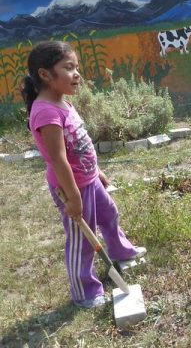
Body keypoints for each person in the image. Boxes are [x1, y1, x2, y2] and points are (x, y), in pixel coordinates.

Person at [21, 41, 146, 309]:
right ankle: (85, 291)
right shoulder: (45, 112)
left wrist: (96, 170)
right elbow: (58, 158)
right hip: (71, 188)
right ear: (45, 75)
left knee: (109, 215)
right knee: (82, 242)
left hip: (88, 181)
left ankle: (121, 252)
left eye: (76, 67)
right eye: (69, 68)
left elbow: (79, 142)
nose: (77, 73)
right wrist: (74, 198)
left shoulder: (63, 102)